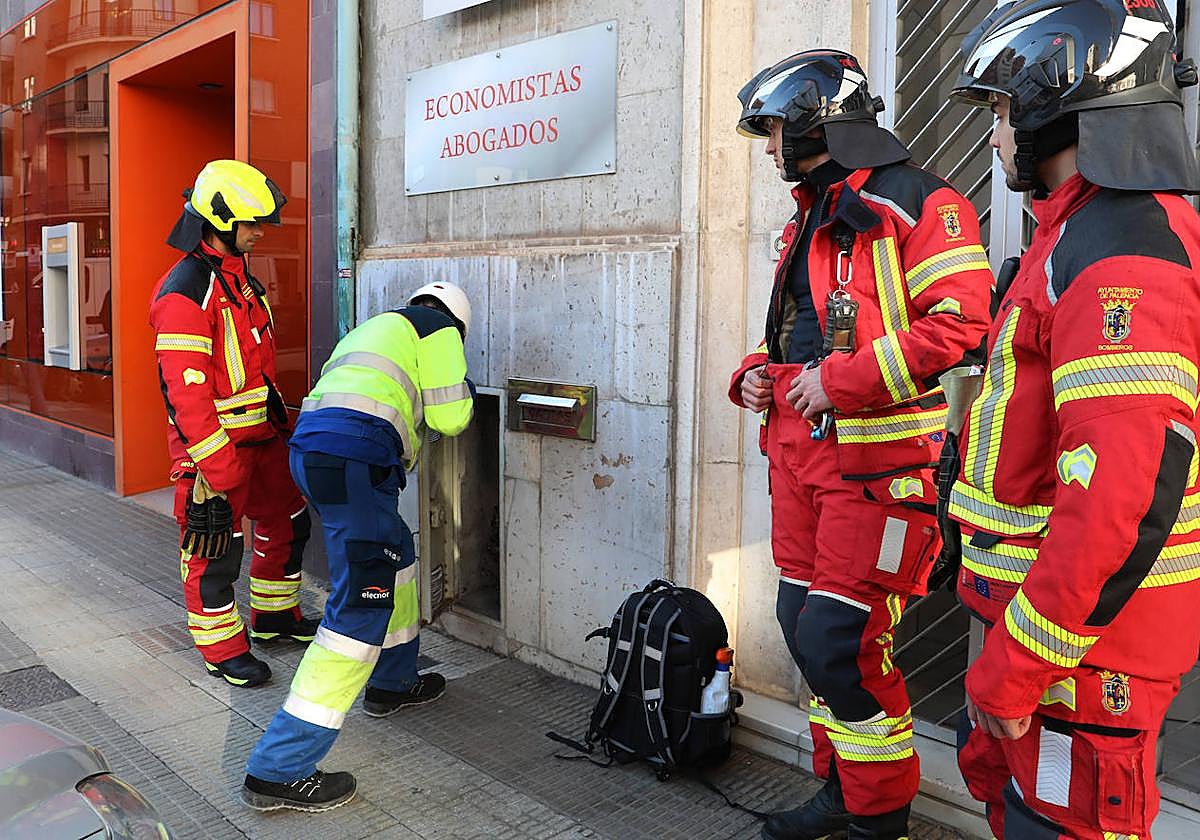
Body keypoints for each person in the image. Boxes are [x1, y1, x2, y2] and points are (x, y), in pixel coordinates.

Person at [946, 1, 1200, 837]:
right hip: (1050, 631)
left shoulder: (1120, 251)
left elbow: (1121, 498)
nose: (992, 133)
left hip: (1083, 656)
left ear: (1060, 98)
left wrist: (1018, 669)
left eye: (1000, 109)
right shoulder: (1082, 233)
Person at [729, 50, 994, 840]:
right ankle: (840, 788)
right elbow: (799, 331)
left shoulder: (921, 201)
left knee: (837, 640)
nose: (770, 147)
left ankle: (881, 816)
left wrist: (839, 381)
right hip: (800, 461)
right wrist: (753, 374)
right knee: (800, 624)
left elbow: (960, 325)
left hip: (877, 469)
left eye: (775, 129)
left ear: (815, 118)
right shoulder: (809, 210)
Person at [241, 282, 475, 812]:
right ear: (456, 322)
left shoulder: (376, 325)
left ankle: (394, 682)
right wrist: (462, 385)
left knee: (397, 556)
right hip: (356, 460)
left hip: (316, 455)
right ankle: (279, 769)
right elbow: (450, 418)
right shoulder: (438, 329)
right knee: (358, 612)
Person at [150, 160, 317, 688]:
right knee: (215, 550)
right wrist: (214, 467)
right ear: (217, 222)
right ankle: (222, 649)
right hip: (215, 449)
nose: (260, 233)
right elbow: (185, 394)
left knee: (290, 524)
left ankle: (273, 618)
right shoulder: (184, 290)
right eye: (251, 224)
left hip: (264, 439)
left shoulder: (242, 280)